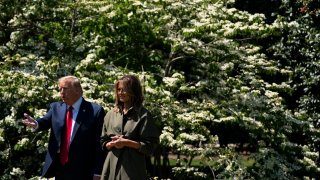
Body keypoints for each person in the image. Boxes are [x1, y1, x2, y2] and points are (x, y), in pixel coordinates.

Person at [22, 75, 106, 180]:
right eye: (60, 89)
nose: (61, 92)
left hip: (84, 169)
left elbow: (99, 145)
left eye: (65, 89)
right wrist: (36, 123)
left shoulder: (95, 111)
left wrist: (98, 172)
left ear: (77, 90)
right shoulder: (56, 107)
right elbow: (45, 121)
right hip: (60, 167)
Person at [100, 75, 160, 180]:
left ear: (133, 90)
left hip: (132, 169)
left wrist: (126, 143)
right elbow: (103, 141)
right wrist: (111, 144)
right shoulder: (111, 114)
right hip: (111, 167)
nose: (120, 93)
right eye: (119, 89)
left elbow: (150, 146)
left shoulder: (143, 115)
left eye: (124, 90)